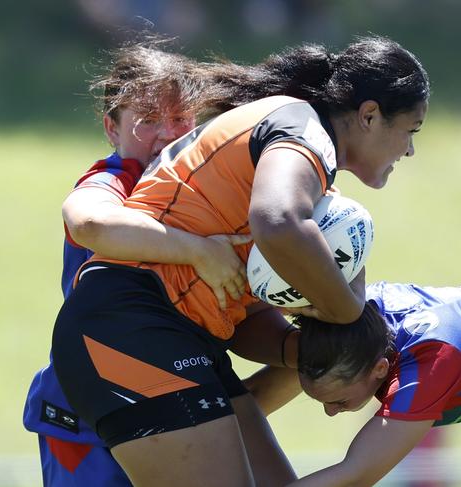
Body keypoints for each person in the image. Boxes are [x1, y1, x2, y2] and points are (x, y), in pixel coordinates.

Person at [51, 35, 430, 486]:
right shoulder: (301, 129)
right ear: (369, 116)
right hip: (131, 326)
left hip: (184, 338)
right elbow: (278, 222)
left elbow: (243, 316)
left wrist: (307, 349)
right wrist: (347, 314)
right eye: (411, 130)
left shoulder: (308, 171)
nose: (409, 150)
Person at [24, 42, 287, 486]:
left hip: (173, 388)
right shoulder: (114, 180)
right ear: (112, 128)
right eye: (146, 121)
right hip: (86, 422)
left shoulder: (209, 195)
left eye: (181, 118)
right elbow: (87, 219)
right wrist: (198, 250)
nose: (167, 133)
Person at [293, 282, 461, 487]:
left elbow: (357, 473)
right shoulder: (352, 325)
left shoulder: (432, 359)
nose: (329, 412)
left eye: (338, 401)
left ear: (380, 369)